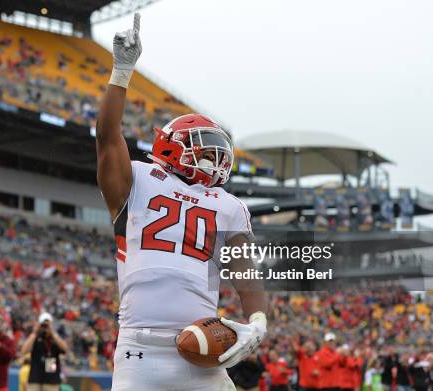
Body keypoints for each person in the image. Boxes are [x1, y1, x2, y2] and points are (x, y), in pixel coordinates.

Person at [96, 14, 267, 390]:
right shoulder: (139, 178)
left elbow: (244, 270)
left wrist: (258, 320)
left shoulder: (228, 204)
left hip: (202, 351)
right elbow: (108, 139)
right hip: (140, 350)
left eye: (218, 152)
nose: (215, 160)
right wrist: (121, 71)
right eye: (205, 150)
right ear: (173, 146)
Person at [21, 313, 68, 391]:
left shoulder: (55, 338)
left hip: (52, 379)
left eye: (47, 325)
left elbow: (65, 349)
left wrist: (53, 333)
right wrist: (35, 332)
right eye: (43, 325)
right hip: (35, 378)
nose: (45, 328)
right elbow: (24, 350)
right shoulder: (35, 338)